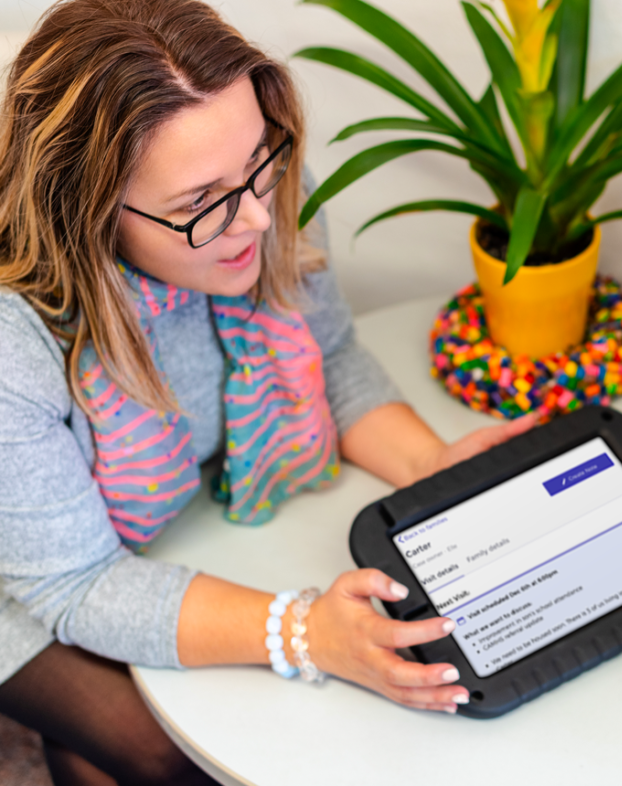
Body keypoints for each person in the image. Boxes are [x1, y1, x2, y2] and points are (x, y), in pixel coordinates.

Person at [0, 0, 532, 783]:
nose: (257, 216)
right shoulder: (15, 341)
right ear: (87, 211)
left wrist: (437, 470)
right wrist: (303, 632)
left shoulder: (257, 185)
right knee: (163, 751)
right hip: (26, 569)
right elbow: (74, 581)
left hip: (138, 531)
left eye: (260, 162)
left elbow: (332, 353)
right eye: (201, 205)